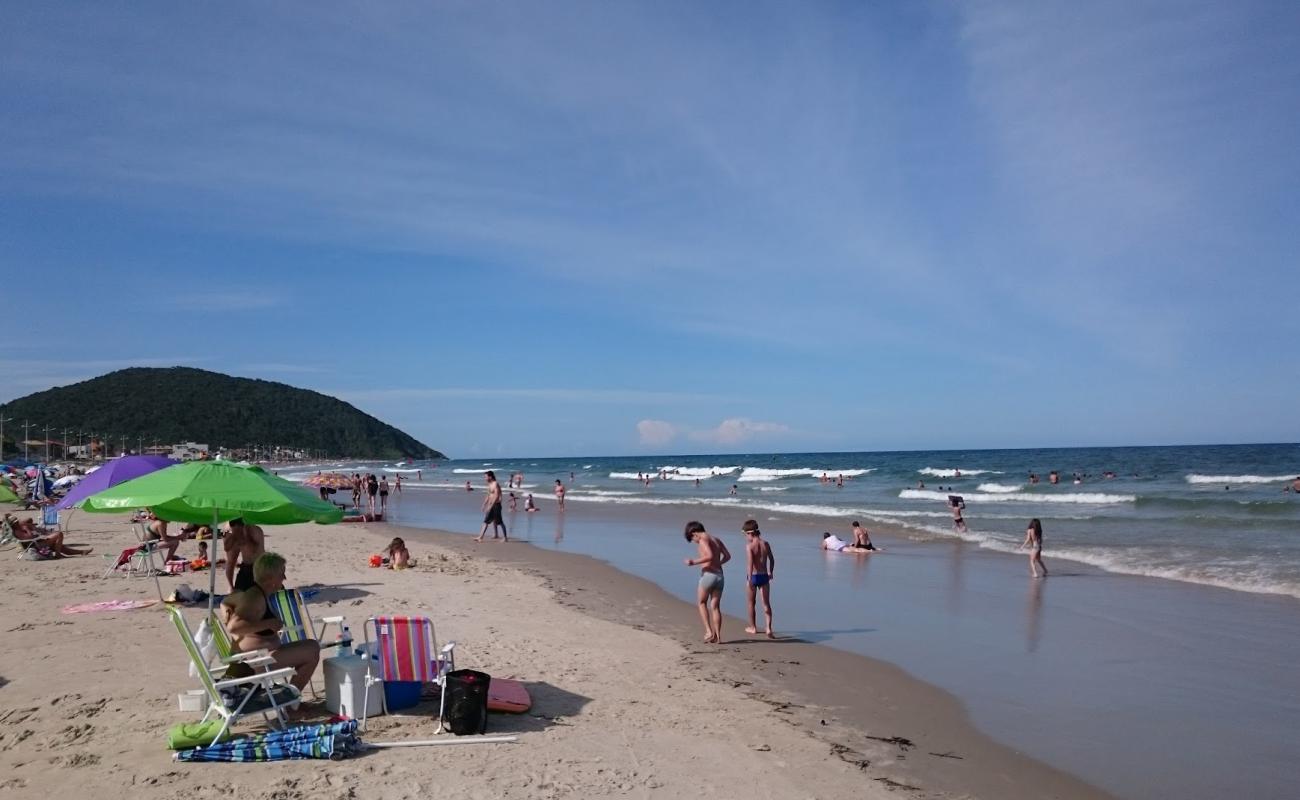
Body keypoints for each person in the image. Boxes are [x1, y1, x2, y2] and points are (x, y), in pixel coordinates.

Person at [221, 552, 320, 692]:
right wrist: (269, 623)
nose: (284, 578)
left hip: (257, 658)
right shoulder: (255, 598)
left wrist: (226, 608)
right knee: (312, 650)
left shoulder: (254, 594)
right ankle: (292, 705)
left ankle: (290, 698)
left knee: (310, 645)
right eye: (281, 574)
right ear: (270, 578)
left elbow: (226, 601)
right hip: (251, 664)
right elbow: (234, 627)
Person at [683, 521, 730, 644]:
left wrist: (693, 562)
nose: (694, 542)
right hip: (720, 576)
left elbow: (709, 555)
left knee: (701, 602)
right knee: (715, 607)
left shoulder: (703, 540)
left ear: (694, 533)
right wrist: (718, 564)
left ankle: (709, 631)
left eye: (692, 539)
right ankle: (718, 637)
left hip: (708, 576)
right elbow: (727, 556)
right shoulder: (716, 539)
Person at [741, 519, 775, 639]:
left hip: (754, 576)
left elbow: (750, 564)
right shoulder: (765, 544)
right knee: (766, 604)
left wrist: (749, 579)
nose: (745, 537)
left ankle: (753, 627)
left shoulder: (750, 546)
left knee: (751, 603)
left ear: (750, 533)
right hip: (764, 576)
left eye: (745, 534)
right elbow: (772, 560)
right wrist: (771, 572)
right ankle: (768, 628)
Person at [5, 513, 91, 556]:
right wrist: (27, 529)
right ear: (13, 524)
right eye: (16, 522)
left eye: (17, 521)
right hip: (35, 545)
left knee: (61, 547)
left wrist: (33, 529)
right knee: (59, 534)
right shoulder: (17, 531)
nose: (17, 522)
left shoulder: (19, 528)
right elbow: (30, 537)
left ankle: (81, 552)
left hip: (37, 543)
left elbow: (29, 522)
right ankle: (58, 555)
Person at [225, 517, 266, 592]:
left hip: (258, 567)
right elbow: (227, 548)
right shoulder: (231, 530)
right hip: (246, 567)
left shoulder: (254, 530)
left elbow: (253, 549)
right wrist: (232, 536)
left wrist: (244, 535)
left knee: (258, 594)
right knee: (231, 560)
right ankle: (230, 586)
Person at [475, 470, 508, 542]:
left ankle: (505, 538)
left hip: (496, 505)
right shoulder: (489, 485)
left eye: (486, 477)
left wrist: (491, 506)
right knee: (487, 521)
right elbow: (488, 495)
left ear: (490, 477)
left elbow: (496, 496)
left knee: (499, 522)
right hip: (491, 505)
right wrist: (484, 504)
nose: (485, 478)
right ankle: (481, 537)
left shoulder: (495, 484)